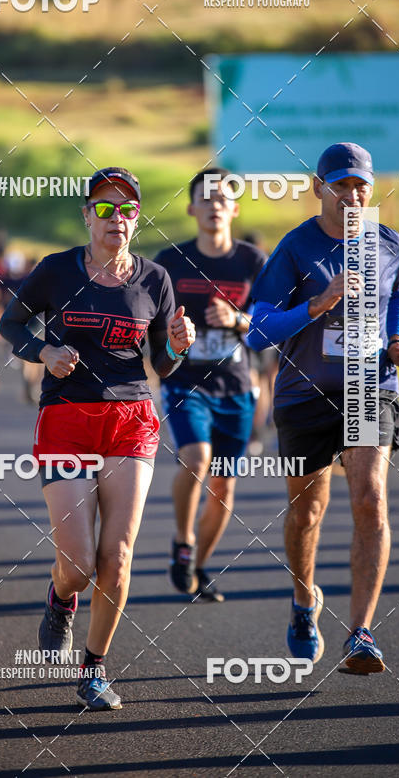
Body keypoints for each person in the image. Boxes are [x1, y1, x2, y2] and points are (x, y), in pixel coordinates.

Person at [0, 167, 195, 710]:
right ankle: (61, 596)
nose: (116, 218)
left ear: (137, 218)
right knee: (80, 564)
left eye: (126, 209)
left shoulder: (155, 279)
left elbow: (163, 364)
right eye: (104, 208)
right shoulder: (56, 270)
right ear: (87, 216)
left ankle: (94, 668)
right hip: (66, 417)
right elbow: (10, 325)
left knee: (119, 556)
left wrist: (177, 346)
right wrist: (44, 352)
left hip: (131, 419)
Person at [247, 142, 399, 674]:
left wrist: (397, 341)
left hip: (369, 386)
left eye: (360, 185)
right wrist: (319, 303)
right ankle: (304, 600)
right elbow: (258, 331)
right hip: (305, 393)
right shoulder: (297, 247)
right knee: (308, 511)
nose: (351, 194)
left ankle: (361, 633)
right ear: (318, 187)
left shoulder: (388, 243)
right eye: (340, 184)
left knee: (370, 499)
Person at [155, 168, 266, 601]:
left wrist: (238, 319)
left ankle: (198, 566)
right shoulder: (170, 261)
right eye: (206, 198)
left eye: (223, 199)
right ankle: (183, 543)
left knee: (223, 486)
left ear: (234, 209)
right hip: (186, 381)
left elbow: (272, 321)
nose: (215, 205)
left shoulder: (253, 261)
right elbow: (149, 321)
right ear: (191, 209)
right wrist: (168, 342)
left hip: (236, 386)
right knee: (196, 457)